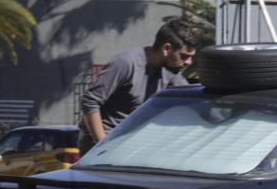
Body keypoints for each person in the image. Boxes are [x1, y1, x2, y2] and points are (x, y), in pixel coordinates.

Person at [78, 18, 200, 154]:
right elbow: (90, 100)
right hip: (104, 143)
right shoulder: (126, 63)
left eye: (191, 57)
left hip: (134, 145)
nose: (189, 62)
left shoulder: (171, 70)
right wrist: (102, 146)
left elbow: (191, 101)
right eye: (184, 56)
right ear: (167, 49)